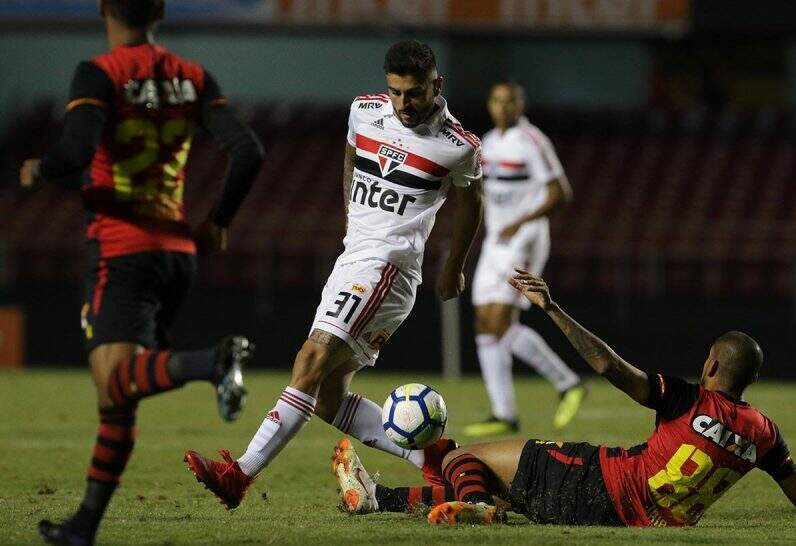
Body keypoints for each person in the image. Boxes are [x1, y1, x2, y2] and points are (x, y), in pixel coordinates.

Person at [184, 40, 483, 510]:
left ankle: (238, 475)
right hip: (354, 259)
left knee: (310, 359)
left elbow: (471, 206)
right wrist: (351, 218)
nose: (404, 104)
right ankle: (433, 459)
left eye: (416, 93)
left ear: (436, 85)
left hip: (388, 268)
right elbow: (350, 154)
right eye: (397, 92)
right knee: (326, 400)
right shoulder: (364, 111)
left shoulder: (457, 146)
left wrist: (454, 267)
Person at [20, 2, 264, 544]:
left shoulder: (99, 73)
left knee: (113, 384)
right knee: (120, 395)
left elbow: (77, 148)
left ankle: (212, 361)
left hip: (121, 245)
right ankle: (84, 526)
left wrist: (40, 168)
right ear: (158, 10)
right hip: (177, 252)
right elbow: (247, 150)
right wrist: (219, 220)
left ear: (104, 8)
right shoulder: (193, 76)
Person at [333, 268, 796, 527]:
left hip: (599, 483)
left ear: (712, 366)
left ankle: (474, 506)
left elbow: (608, 366)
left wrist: (553, 309)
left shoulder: (688, 399)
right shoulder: (765, 434)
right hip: (625, 518)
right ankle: (377, 496)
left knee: (465, 458)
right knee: (483, 476)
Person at [465, 81, 585, 438]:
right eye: (497, 100)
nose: (504, 106)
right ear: (490, 105)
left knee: (500, 319)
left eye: (510, 100)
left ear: (521, 104)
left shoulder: (532, 140)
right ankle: (504, 412)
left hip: (525, 238)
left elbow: (560, 193)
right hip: (496, 239)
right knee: (485, 323)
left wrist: (519, 220)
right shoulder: (486, 142)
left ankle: (567, 383)